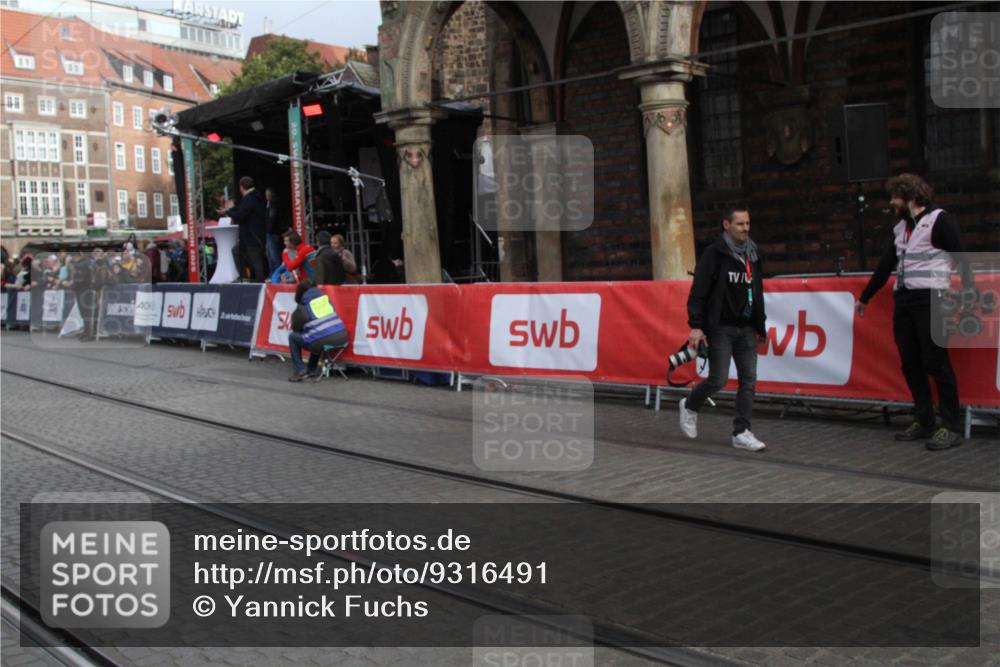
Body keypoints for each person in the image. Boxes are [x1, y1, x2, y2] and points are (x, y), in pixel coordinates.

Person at [856, 173, 974, 450]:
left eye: (894, 197)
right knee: (910, 361)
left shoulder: (939, 220)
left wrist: (969, 294)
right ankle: (924, 419)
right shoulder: (900, 228)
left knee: (936, 360)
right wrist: (866, 296)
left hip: (932, 297)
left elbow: (961, 257)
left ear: (908, 196)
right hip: (905, 298)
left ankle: (950, 425)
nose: (890, 202)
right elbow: (886, 264)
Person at [678, 204, 767, 452]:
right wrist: (696, 326)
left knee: (749, 380)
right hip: (721, 327)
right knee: (718, 378)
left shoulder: (754, 253)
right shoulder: (714, 255)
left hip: (747, 327)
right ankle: (691, 404)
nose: (745, 228)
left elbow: (757, 291)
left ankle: (741, 431)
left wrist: (761, 325)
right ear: (726, 225)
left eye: (748, 223)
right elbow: (698, 293)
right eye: (740, 224)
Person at [287, 279, 349, 381]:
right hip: (342, 336)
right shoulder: (325, 300)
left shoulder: (303, 305)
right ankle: (311, 369)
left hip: (324, 340)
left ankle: (300, 370)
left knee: (294, 337)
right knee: (315, 335)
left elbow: (296, 327)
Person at [219, 176, 267, 281]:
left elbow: (240, 214)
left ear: (242, 187)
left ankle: (259, 281)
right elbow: (240, 209)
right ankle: (244, 276)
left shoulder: (250, 198)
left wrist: (227, 212)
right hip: (249, 235)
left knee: (255, 259)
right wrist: (230, 209)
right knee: (238, 251)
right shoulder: (252, 197)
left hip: (252, 235)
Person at [264, 188, 286, 274]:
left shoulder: (273, 205)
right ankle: (273, 273)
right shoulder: (269, 204)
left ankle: (276, 273)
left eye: (268, 194)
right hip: (270, 232)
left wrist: (269, 229)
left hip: (273, 232)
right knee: (269, 255)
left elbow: (273, 219)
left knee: (273, 255)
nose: (267, 196)